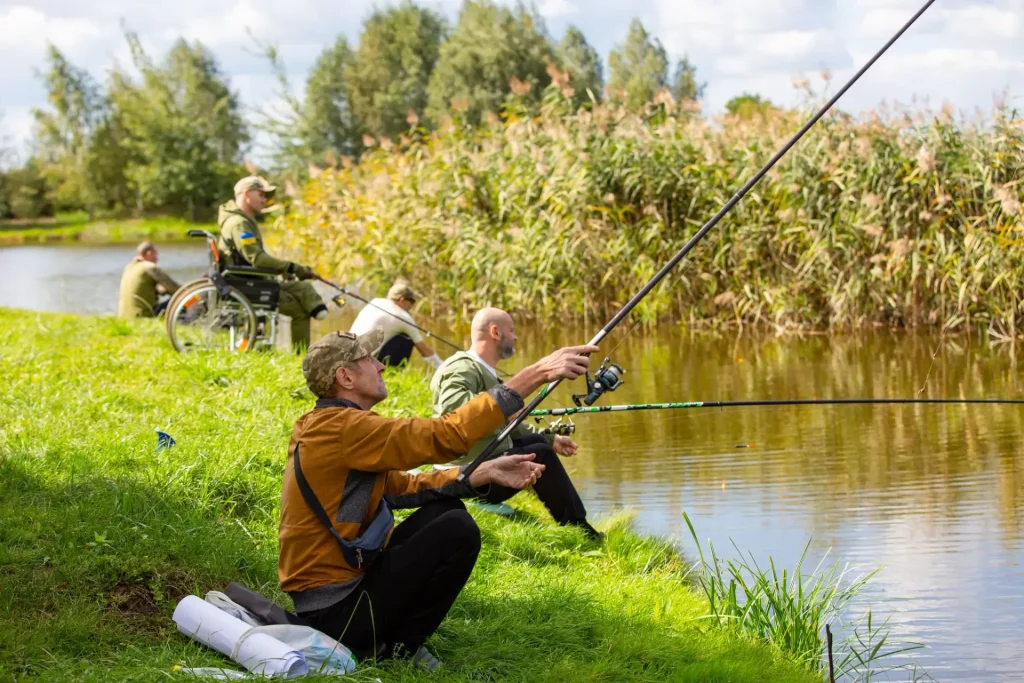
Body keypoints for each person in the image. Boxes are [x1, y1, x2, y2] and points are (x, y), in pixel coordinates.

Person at [278, 327, 598, 669]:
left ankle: (392, 641)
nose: (382, 365)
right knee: (457, 529)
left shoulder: (332, 425)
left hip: (342, 596)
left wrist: (479, 473)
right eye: (369, 359)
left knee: (446, 511)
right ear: (346, 377)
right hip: (336, 613)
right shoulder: (344, 428)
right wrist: (539, 372)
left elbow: (399, 489)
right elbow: (449, 435)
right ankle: (396, 649)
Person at [430, 308, 601, 539]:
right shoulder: (462, 367)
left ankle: (572, 521)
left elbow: (506, 423)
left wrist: (552, 438)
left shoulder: (483, 370)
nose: (516, 336)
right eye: (511, 330)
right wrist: (501, 405)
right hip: (464, 478)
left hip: (478, 464)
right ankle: (580, 528)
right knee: (539, 453)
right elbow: (453, 409)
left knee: (539, 442)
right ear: (495, 332)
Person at [217, 175, 328, 350]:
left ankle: (318, 309)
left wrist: (284, 271)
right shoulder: (239, 224)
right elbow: (257, 259)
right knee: (299, 312)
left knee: (302, 288)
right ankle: (302, 359)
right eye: (261, 195)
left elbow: (253, 259)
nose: (264, 200)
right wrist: (292, 267)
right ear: (246, 194)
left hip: (254, 280)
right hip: (248, 285)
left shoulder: (244, 221)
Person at [349, 279, 441, 368]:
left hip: (349, 355)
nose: (412, 306)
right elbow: (424, 350)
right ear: (402, 300)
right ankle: (393, 369)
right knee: (407, 338)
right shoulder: (404, 317)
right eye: (412, 301)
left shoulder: (375, 301)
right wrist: (442, 366)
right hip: (366, 363)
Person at [117, 241, 181, 319]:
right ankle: (185, 324)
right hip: (144, 316)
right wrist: (191, 292)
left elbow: (149, 288)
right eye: (156, 254)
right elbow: (173, 287)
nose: (157, 259)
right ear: (149, 253)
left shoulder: (129, 267)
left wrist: (163, 290)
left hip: (125, 317)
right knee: (182, 299)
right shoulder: (149, 267)